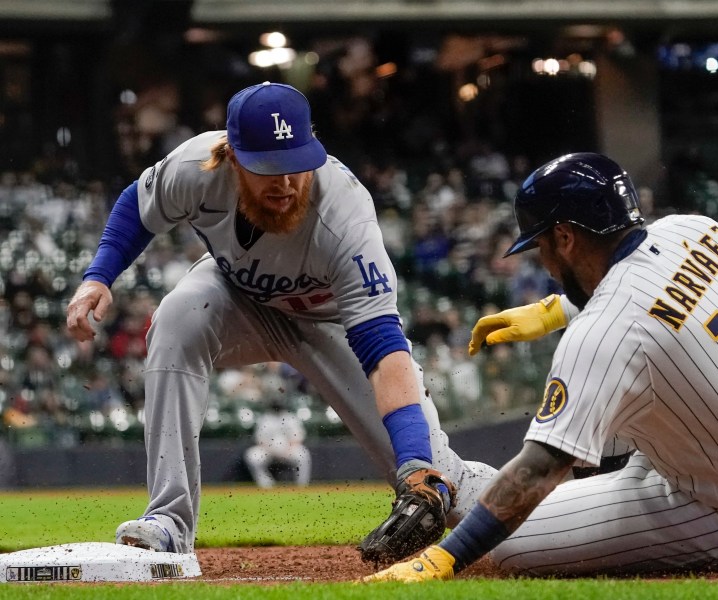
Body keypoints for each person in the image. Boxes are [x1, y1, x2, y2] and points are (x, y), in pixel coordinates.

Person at [365, 152, 718, 581]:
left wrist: (444, 558)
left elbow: (542, 467)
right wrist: (552, 310)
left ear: (564, 237)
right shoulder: (696, 229)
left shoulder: (604, 332)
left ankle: (486, 492)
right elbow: (665, 301)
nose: (540, 260)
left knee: (510, 546)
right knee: (641, 385)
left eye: (539, 244)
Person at [65, 81, 495, 554]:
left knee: (436, 477)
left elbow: (382, 348)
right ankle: (167, 522)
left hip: (332, 325)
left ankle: (538, 506)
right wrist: (98, 276)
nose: (286, 182)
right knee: (178, 316)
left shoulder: (345, 216)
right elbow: (138, 205)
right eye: (268, 168)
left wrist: (415, 464)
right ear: (231, 156)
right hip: (237, 297)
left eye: (295, 164)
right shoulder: (195, 166)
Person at [244, 397, 312, 488]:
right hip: (268, 450)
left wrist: (288, 451)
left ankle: (302, 485)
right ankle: (266, 485)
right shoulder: (265, 418)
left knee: (303, 454)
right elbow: (260, 440)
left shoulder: (290, 417)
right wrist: (271, 451)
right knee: (252, 456)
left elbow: (298, 438)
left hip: (289, 449)